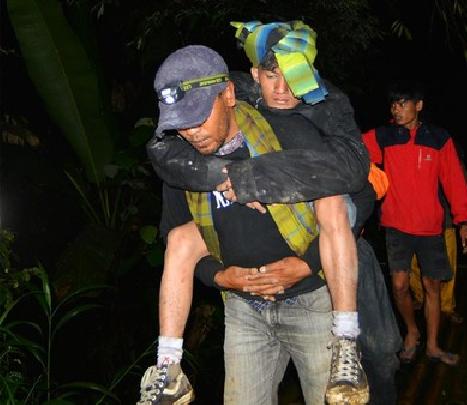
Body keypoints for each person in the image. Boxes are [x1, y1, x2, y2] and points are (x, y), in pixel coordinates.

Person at [137, 39, 369, 404]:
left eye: (199, 117)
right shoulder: (183, 160)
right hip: (244, 310)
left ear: (228, 94)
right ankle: (168, 368)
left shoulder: (290, 129)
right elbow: (173, 235)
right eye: (180, 124)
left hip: (309, 302)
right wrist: (217, 275)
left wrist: (307, 265)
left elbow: (357, 198)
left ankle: (346, 342)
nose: (191, 132)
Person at [362, 81, 467, 366]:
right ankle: (412, 332)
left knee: (432, 286)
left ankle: (434, 346)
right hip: (396, 226)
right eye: (393, 104)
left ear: (419, 105)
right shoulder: (384, 136)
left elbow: (455, 182)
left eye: (403, 103)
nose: (396, 109)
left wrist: (464, 223)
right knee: (400, 285)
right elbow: (353, 153)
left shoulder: (438, 138)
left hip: (430, 227)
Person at [409, 153, 467, 324]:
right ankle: (420, 298)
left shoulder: (447, 147)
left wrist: (464, 222)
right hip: (416, 219)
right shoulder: (408, 147)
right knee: (414, 262)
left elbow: (462, 182)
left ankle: (446, 306)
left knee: (448, 264)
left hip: (445, 219)